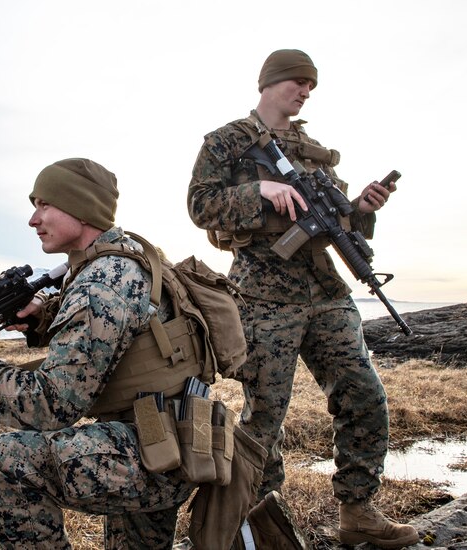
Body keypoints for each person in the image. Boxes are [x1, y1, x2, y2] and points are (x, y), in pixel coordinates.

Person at [187, 49, 419, 549]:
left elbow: (338, 221)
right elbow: (200, 205)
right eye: (297, 81)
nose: (305, 91)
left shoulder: (312, 150)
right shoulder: (226, 141)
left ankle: (358, 510)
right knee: (265, 415)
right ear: (269, 83)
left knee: (363, 394)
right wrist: (260, 192)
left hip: (326, 290)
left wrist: (361, 208)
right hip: (263, 294)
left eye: (310, 84)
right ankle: (256, 521)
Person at [0, 158, 198, 549]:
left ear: (81, 208)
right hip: (174, 435)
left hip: (152, 454)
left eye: (45, 204)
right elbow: (123, 329)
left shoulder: (100, 283)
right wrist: (45, 315)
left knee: (6, 461)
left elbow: (51, 407)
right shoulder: (129, 256)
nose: (33, 219)